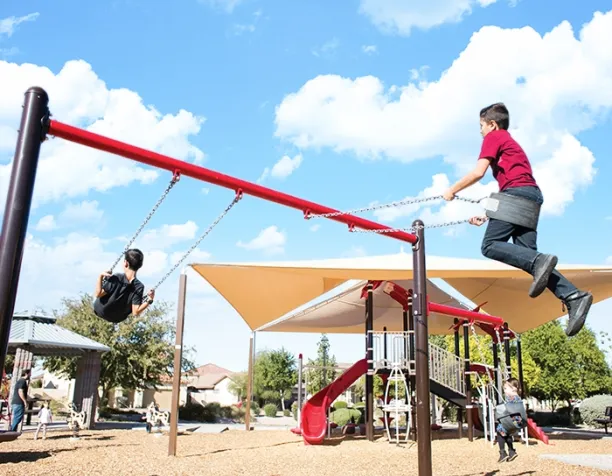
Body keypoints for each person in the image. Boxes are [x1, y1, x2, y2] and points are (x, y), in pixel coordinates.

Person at [442, 103, 592, 337]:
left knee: (490, 246)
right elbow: (514, 184)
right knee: (528, 257)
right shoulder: (509, 143)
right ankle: (574, 296)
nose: (480, 131)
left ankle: (541, 262)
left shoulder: (495, 136)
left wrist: (452, 190)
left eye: (481, 126)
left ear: (492, 124)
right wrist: (488, 215)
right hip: (529, 197)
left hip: (516, 195)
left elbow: (478, 172)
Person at [93, 248, 155, 324]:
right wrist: (149, 300)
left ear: (126, 263)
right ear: (140, 265)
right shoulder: (139, 286)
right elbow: (136, 312)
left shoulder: (117, 277)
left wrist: (100, 276)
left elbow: (98, 294)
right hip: (117, 318)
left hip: (100, 310)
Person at [495, 378, 524, 463]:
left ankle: (502, 453)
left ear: (514, 388)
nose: (504, 391)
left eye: (506, 388)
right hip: (516, 422)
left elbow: (509, 410)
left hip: (514, 421)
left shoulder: (512, 398)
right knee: (505, 434)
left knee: (499, 431)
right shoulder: (517, 398)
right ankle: (511, 451)